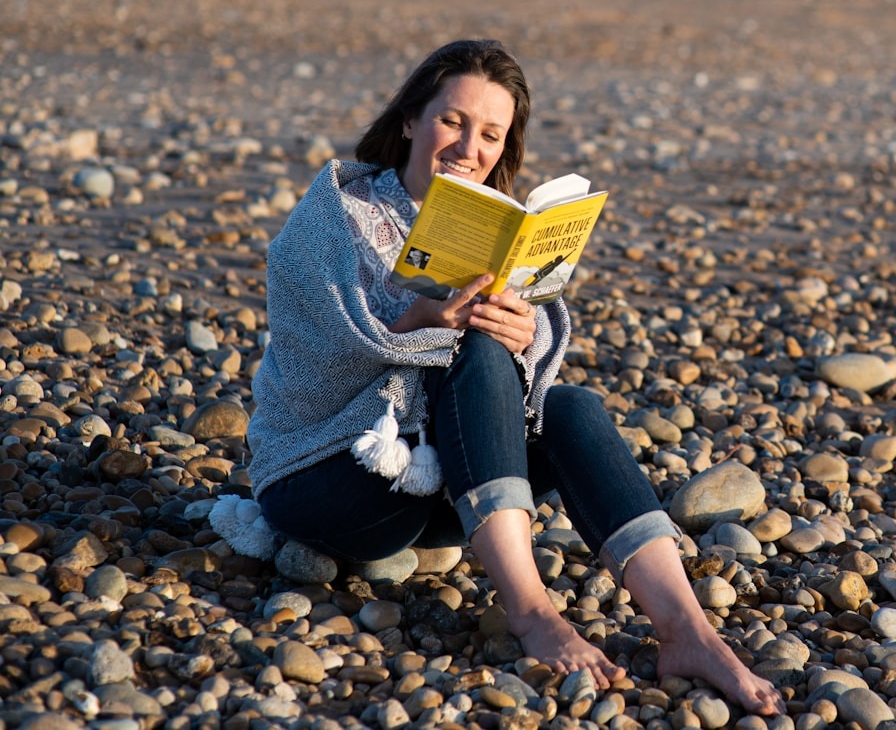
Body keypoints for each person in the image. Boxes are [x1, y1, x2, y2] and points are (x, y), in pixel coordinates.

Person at [244, 38, 782, 714]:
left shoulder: (498, 229)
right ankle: (531, 611)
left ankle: (688, 630)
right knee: (469, 348)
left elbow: (515, 391)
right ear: (410, 119)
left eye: (490, 134)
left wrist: (524, 336)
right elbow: (313, 358)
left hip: (436, 482)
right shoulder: (333, 214)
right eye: (452, 121)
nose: (469, 147)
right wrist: (424, 319)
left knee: (572, 406)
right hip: (323, 475)